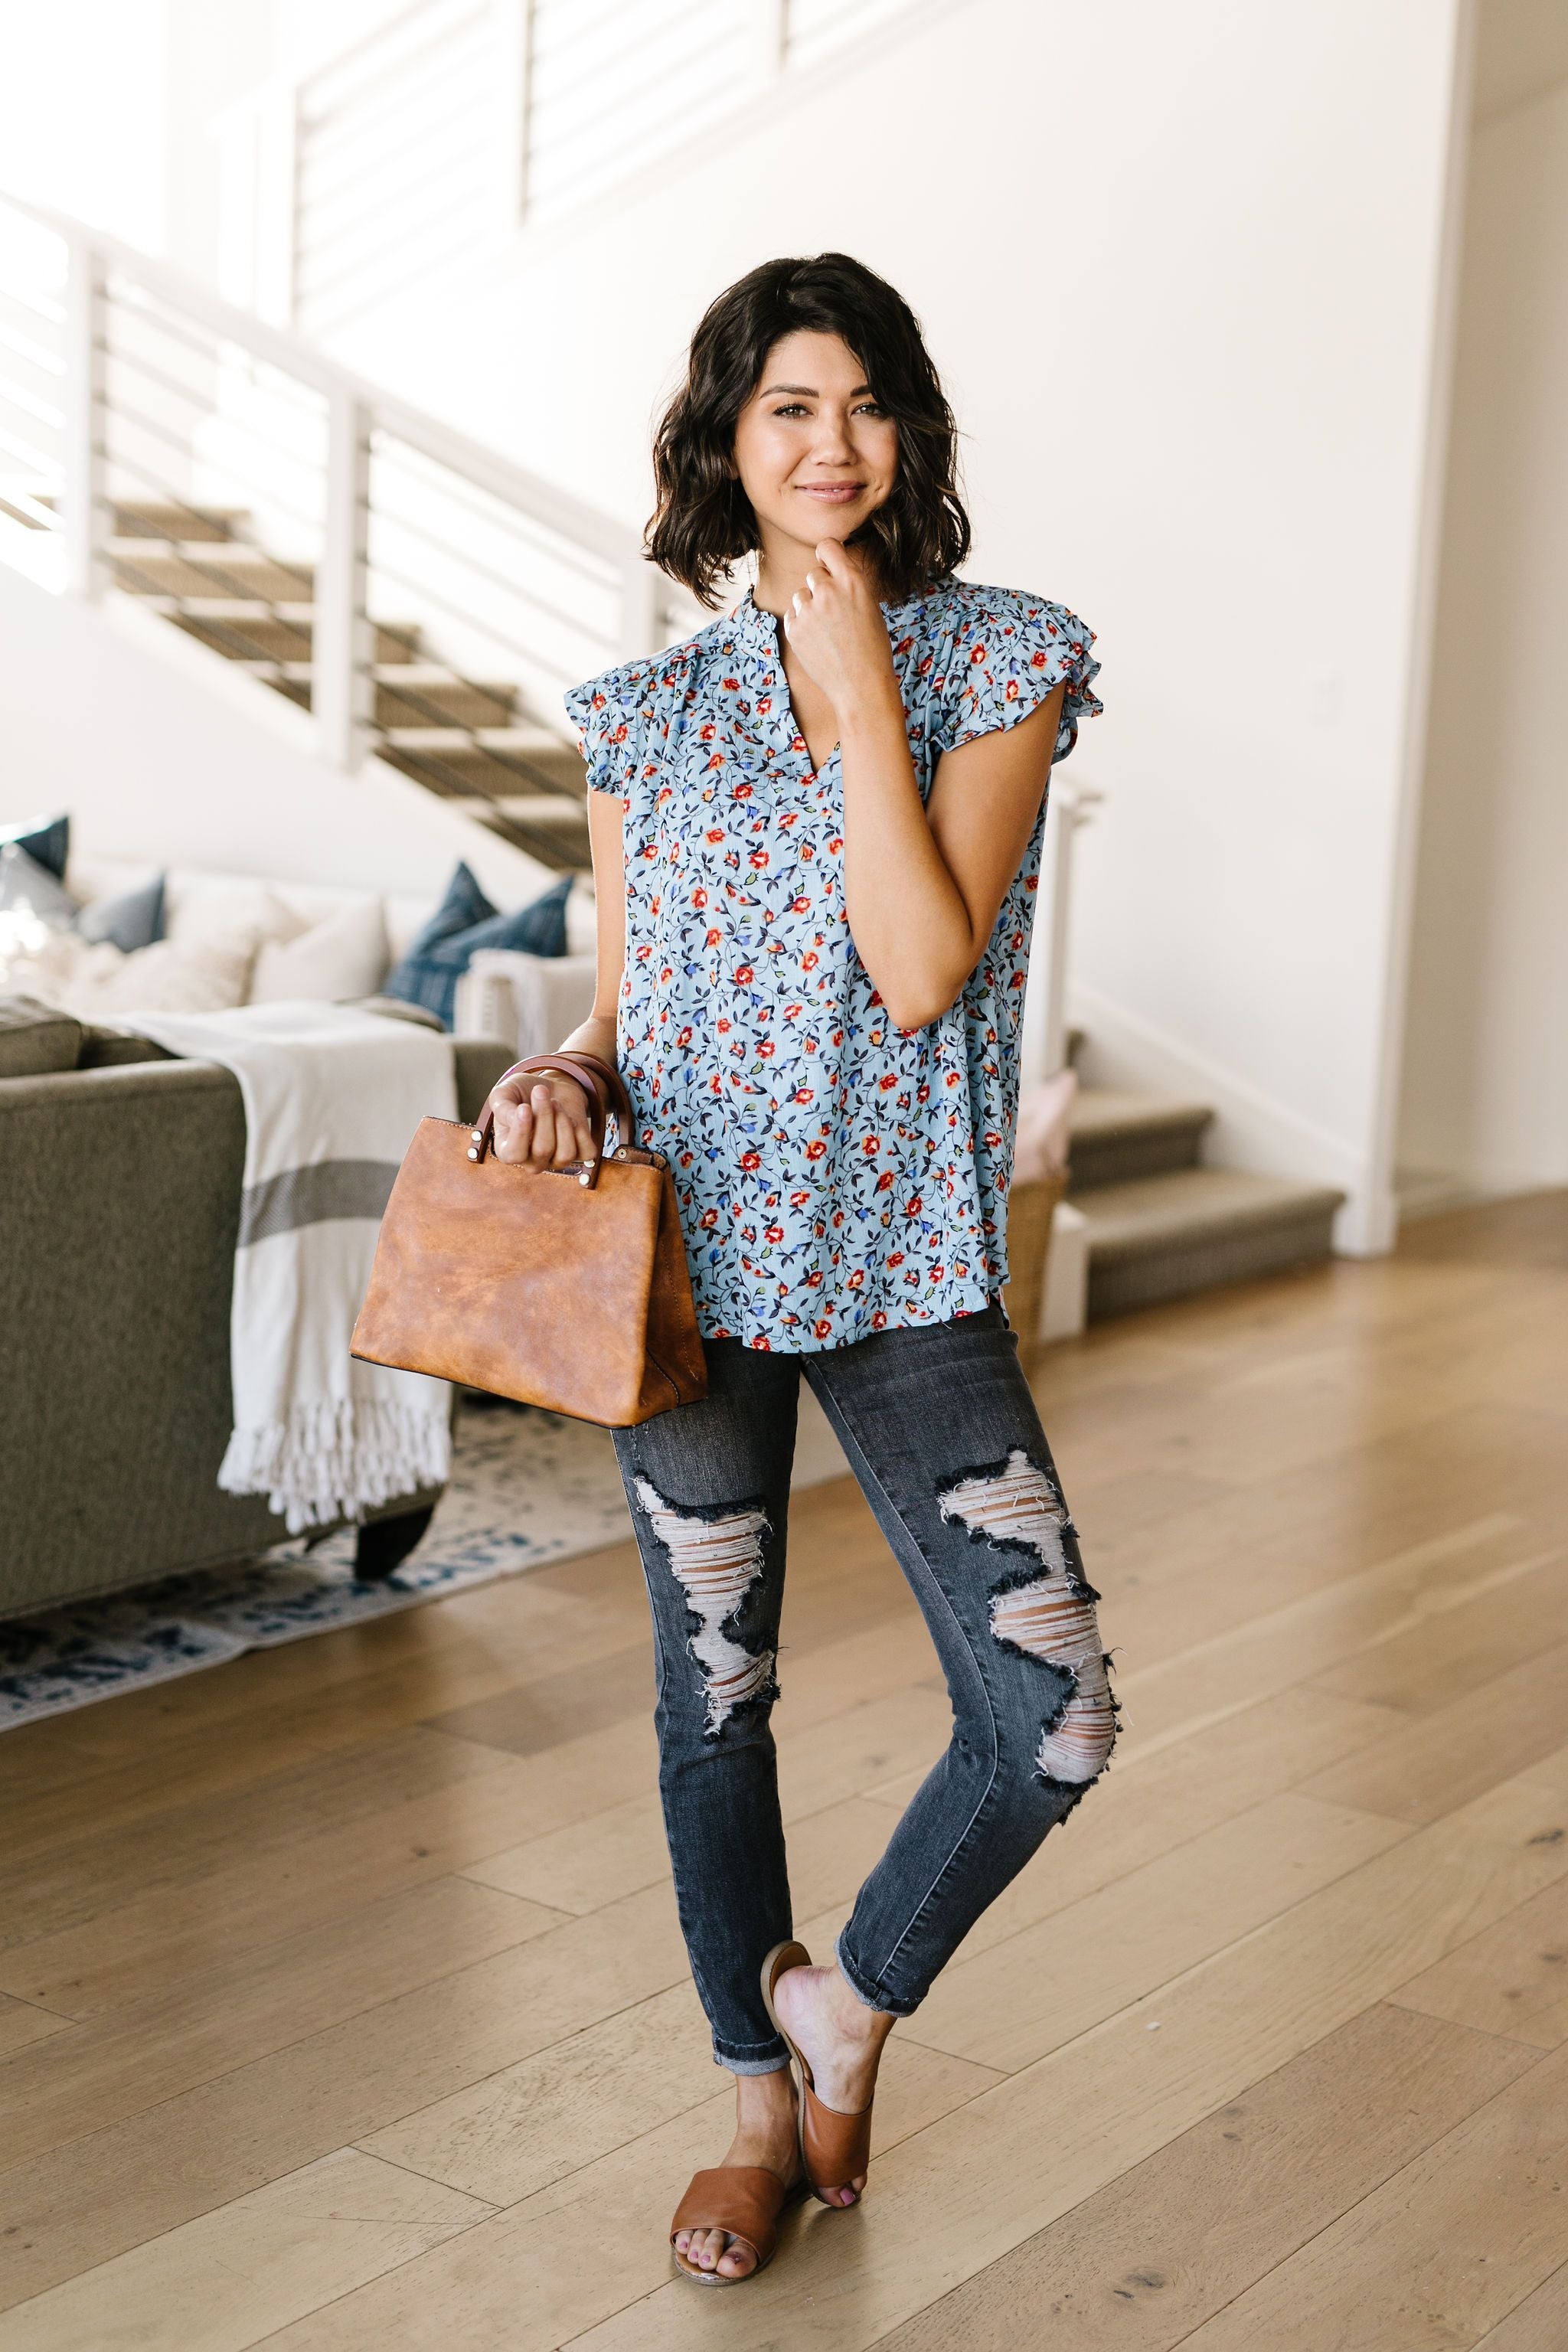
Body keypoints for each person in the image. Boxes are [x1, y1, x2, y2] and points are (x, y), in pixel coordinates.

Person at [482, 252, 1118, 2288]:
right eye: (786, 410)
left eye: (861, 406)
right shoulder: (642, 716)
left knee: (1054, 1717)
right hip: (683, 1268)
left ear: (905, 431)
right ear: (724, 446)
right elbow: (622, 1001)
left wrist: (852, 695)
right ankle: (753, 2107)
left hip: (906, 1247)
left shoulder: (1000, 662)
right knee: (713, 1697)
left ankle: (840, 1999)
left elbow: (926, 964)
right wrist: (559, 1080)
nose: (828, 445)